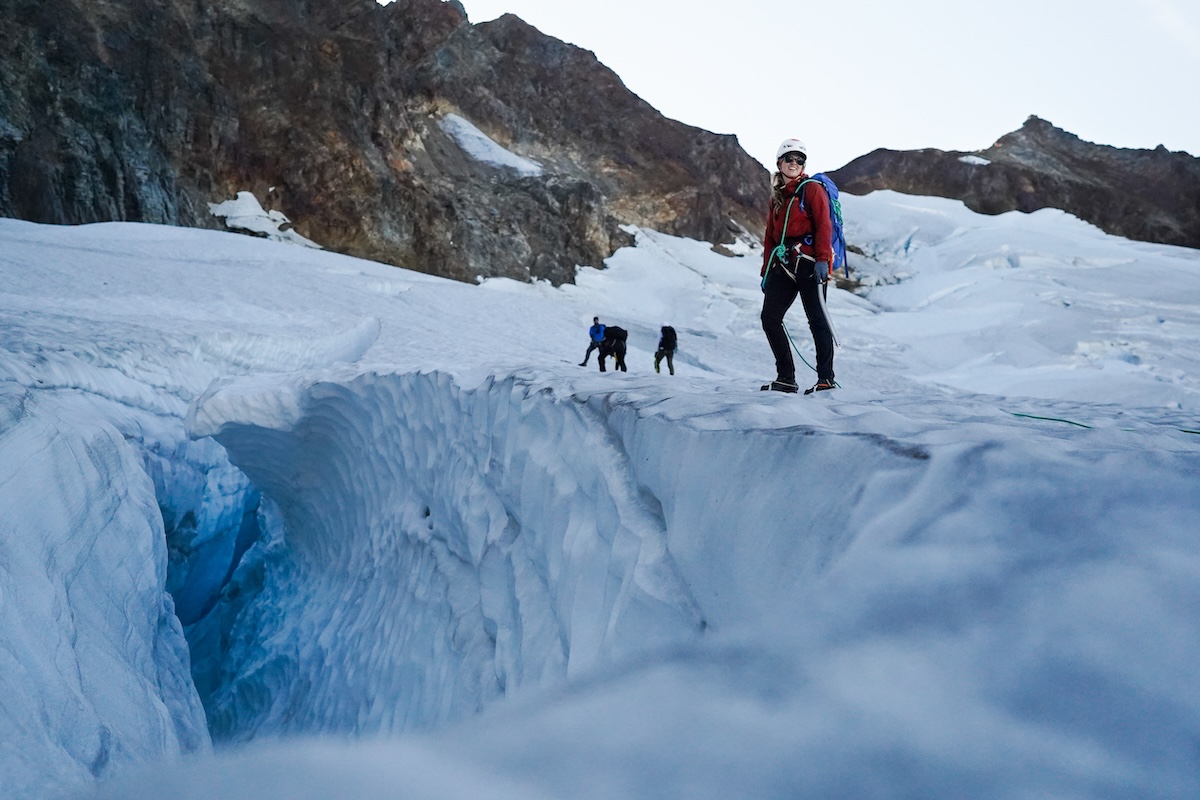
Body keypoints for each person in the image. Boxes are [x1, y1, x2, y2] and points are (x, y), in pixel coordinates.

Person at [759, 138, 836, 395]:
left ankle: (826, 379)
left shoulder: (812, 189)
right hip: (784, 264)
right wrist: (766, 273)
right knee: (770, 318)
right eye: (789, 158)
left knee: (817, 320)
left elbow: (824, 224)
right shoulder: (777, 198)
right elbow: (771, 237)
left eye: (799, 160)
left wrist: (824, 260)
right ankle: (786, 379)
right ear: (779, 162)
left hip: (811, 263)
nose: (794, 163)